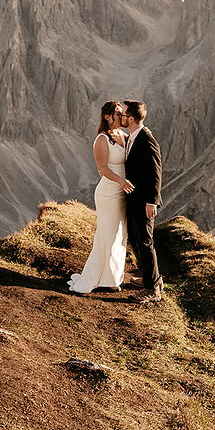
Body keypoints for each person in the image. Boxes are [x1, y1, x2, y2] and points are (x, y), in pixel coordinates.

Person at [67, 101, 135, 295]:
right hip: (109, 192)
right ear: (107, 116)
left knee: (120, 234)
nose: (121, 117)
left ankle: (112, 277)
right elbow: (102, 168)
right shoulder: (102, 139)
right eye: (118, 114)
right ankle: (102, 278)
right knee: (108, 234)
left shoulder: (124, 136)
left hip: (122, 191)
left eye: (122, 113)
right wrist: (120, 180)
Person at [121, 100, 163, 303]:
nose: (121, 117)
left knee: (145, 242)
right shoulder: (133, 136)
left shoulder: (147, 139)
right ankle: (151, 278)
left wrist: (152, 201)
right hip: (134, 198)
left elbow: (156, 172)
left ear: (131, 118)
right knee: (136, 239)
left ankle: (153, 289)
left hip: (144, 201)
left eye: (123, 114)